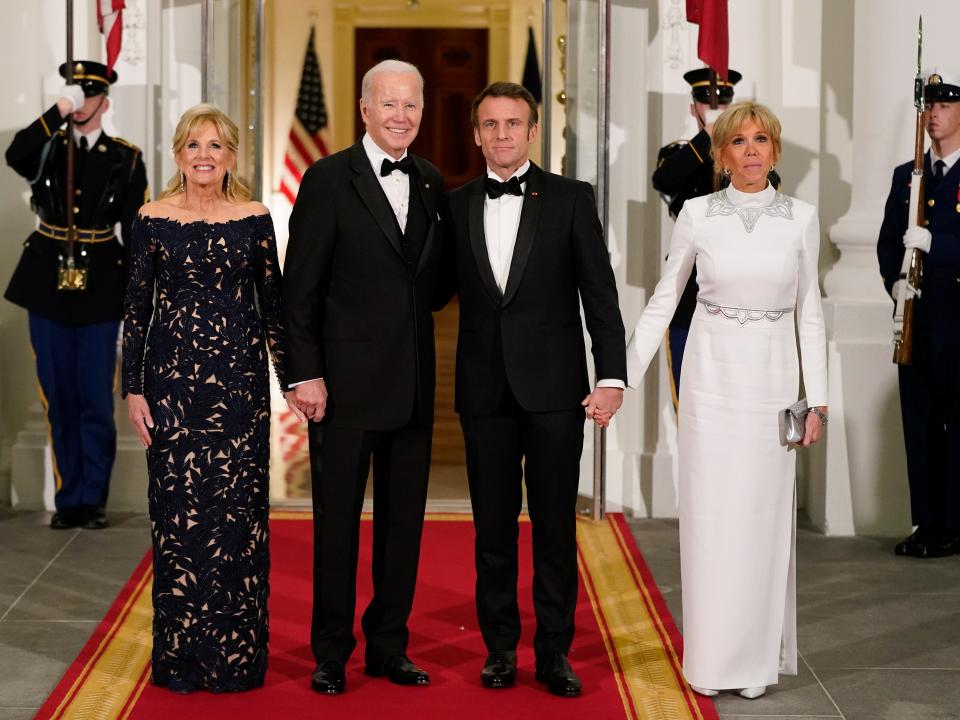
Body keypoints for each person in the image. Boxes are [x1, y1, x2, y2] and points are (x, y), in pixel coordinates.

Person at [627, 102, 827, 699]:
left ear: (776, 149)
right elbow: (665, 300)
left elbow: (809, 314)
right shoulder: (696, 213)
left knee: (762, 523)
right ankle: (710, 662)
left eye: (760, 139)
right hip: (711, 382)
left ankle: (754, 663)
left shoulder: (802, 217)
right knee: (712, 521)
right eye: (737, 141)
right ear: (720, 154)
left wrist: (816, 401)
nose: (750, 150)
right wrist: (621, 377)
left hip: (772, 386)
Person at [441, 82, 626, 697]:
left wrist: (611, 374)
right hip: (483, 392)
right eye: (490, 124)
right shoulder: (456, 202)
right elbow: (428, 291)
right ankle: (500, 649)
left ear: (533, 130)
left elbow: (599, 293)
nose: (501, 135)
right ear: (476, 133)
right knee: (491, 529)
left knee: (552, 527)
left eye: (513, 124)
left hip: (554, 391)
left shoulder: (572, 199)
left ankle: (553, 654)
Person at [122, 104, 297, 693]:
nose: (204, 155)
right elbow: (136, 313)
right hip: (171, 393)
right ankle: (181, 659)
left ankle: (236, 659)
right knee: (177, 522)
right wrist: (133, 389)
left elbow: (274, 311)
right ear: (178, 153)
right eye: (194, 144)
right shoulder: (150, 218)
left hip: (240, 394)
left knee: (236, 523)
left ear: (231, 157)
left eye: (217, 146)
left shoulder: (255, 218)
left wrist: (293, 381)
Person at [282, 59, 444, 695]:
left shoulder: (431, 179)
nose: (401, 116)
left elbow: (433, 282)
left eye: (412, 106)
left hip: (413, 384)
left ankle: (389, 646)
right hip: (342, 388)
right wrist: (306, 375)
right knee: (337, 527)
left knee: (404, 526)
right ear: (364, 109)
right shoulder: (326, 179)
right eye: (390, 105)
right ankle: (330, 652)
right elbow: (301, 291)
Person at [4, 60, 148, 530]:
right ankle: (68, 498)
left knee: (94, 396)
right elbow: (15, 155)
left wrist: (139, 293)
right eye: (77, 96)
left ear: (105, 103)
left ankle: (92, 499)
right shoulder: (49, 145)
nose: (83, 104)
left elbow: (134, 228)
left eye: (91, 97)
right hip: (47, 280)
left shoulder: (125, 156)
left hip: (101, 281)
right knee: (58, 396)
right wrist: (56, 111)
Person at [877, 70, 960, 559]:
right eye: (929, 107)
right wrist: (894, 280)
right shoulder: (906, 175)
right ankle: (926, 522)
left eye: (945, 107)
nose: (934, 115)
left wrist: (939, 245)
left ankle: (953, 523)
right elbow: (890, 240)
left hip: (957, 318)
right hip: (916, 317)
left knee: (956, 422)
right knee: (919, 422)